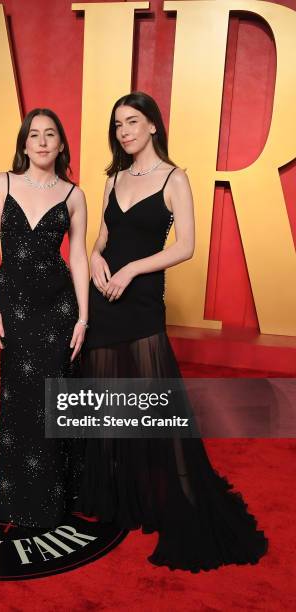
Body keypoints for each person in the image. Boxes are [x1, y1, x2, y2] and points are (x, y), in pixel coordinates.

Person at [76, 92, 268, 571]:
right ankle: (119, 494)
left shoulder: (174, 178)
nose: (124, 131)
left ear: (153, 126)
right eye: (118, 124)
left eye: (133, 122)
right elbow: (100, 238)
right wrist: (96, 257)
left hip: (139, 300)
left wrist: (132, 269)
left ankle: (167, 493)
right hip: (104, 297)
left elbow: (185, 246)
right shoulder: (113, 178)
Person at [0, 108, 89, 529]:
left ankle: (51, 499)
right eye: (34, 135)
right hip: (13, 302)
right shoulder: (1, 183)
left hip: (57, 307)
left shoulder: (73, 194)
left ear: (61, 144)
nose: (42, 141)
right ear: (24, 144)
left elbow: (78, 256)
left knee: (52, 395)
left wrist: (82, 317)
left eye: (50, 135)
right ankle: (15, 498)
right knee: (17, 394)